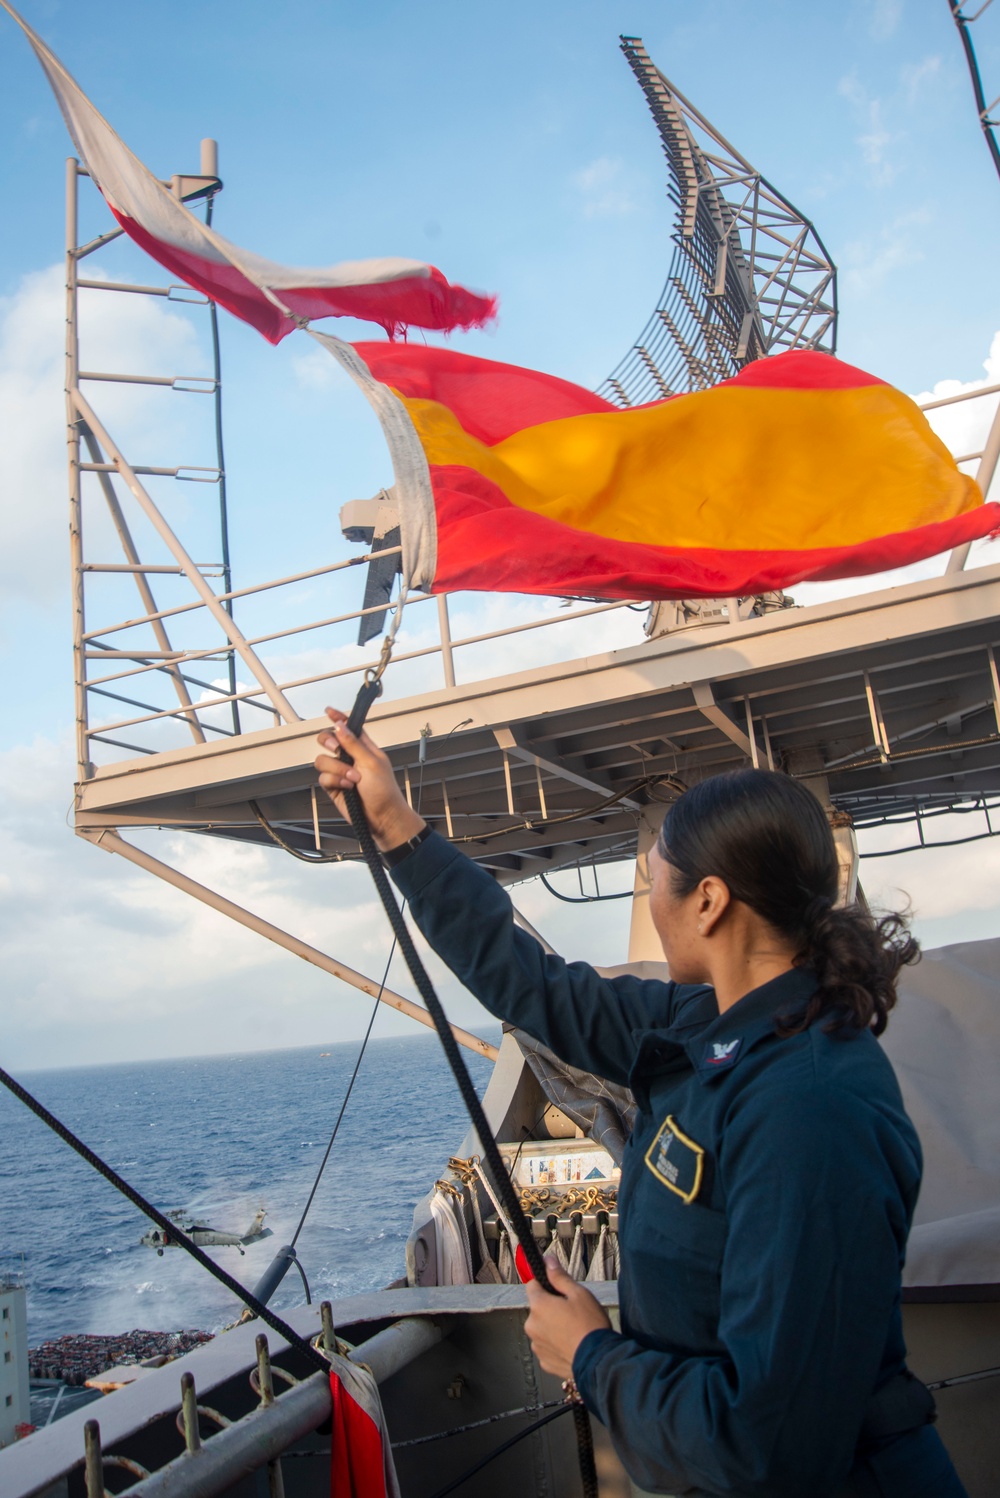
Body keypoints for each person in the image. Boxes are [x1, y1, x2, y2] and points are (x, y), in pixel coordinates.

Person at [315, 707, 968, 1498]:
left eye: (653, 877)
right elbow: (533, 987)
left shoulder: (809, 1106)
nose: (651, 896)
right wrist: (395, 828)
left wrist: (593, 1356)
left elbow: (772, 1445)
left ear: (709, 902)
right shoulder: (712, 1027)